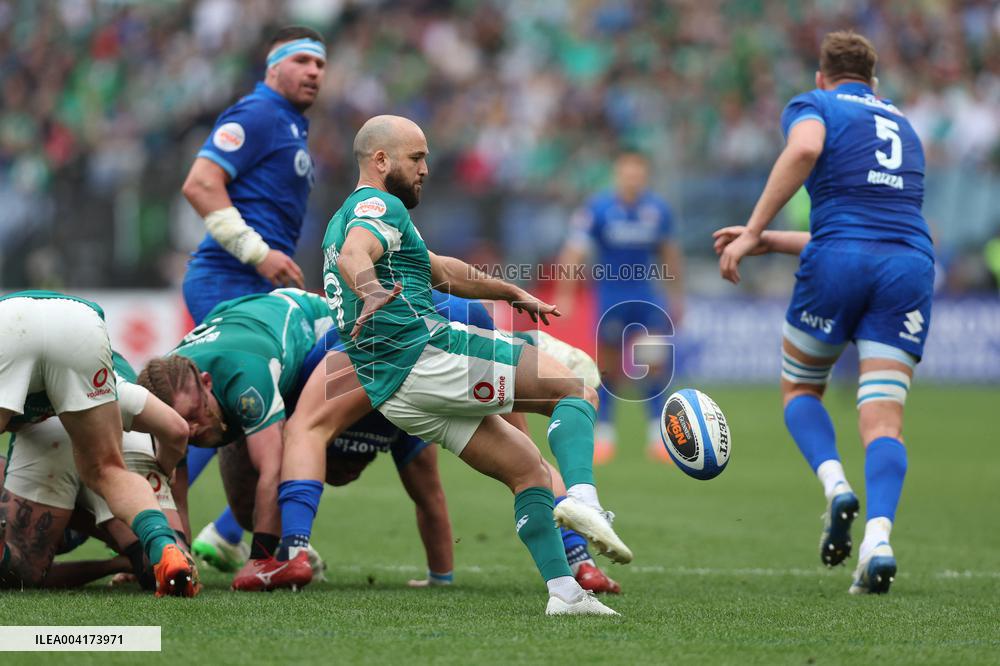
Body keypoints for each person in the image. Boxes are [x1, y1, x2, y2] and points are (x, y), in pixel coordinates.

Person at [278, 115, 631, 616]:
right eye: (416, 158)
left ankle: (565, 593)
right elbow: (356, 254)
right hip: (427, 354)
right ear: (381, 161)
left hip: (397, 396)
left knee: (527, 471)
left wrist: (508, 290)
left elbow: (439, 269)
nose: (426, 168)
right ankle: (584, 497)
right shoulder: (375, 205)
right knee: (574, 387)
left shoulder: (347, 218)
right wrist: (372, 289)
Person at [716, 31, 934, 595]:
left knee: (801, 390)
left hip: (840, 261)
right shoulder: (904, 126)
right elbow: (875, 226)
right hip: (909, 266)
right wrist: (771, 242)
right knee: (885, 419)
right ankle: (879, 540)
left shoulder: (814, 104)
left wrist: (754, 231)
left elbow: (806, 150)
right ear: (875, 81)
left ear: (822, 76)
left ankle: (836, 487)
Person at [179, 25, 327, 568]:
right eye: (304, 60)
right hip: (229, 280)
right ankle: (153, 530)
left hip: (256, 286)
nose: (315, 71)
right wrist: (256, 251)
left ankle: (225, 531)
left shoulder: (289, 123)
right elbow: (200, 183)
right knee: (203, 410)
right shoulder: (259, 113)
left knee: (270, 412)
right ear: (274, 67)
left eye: (321, 64)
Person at [0, 291, 198, 597]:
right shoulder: (114, 382)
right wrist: (166, 469)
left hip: (8, 325)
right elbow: (176, 429)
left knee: (23, 570)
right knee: (107, 471)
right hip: (79, 326)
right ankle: (164, 546)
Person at [138, 288, 333, 592]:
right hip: (246, 325)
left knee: (340, 462)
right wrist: (176, 557)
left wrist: (261, 560)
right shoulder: (160, 394)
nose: (189, 430)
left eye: (194, 415)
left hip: (315, 325)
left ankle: (292, 549)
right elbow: (173, 485)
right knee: (245, 508)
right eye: (178, 422)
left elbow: (273, 467)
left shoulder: (245, 380)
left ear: (207, 383)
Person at [555, 151, 685, 463]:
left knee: (654, 367)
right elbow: (574, 251)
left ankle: (659, 435)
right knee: (608, 368)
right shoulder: (598, 208)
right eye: (627, 171)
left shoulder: (657, 209)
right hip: (611, 297)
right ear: (618, 173)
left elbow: (669, 254)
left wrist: (677, 295)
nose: (633, 177)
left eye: (638, 172)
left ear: (645, 175)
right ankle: (605, 435)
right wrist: (565, 292)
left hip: (646, 296)